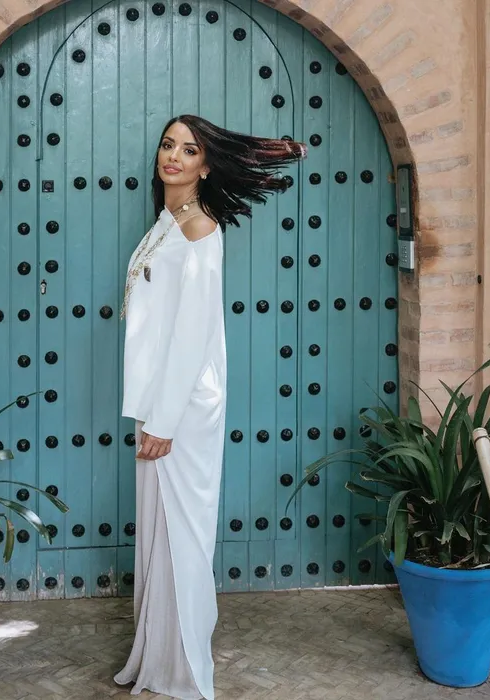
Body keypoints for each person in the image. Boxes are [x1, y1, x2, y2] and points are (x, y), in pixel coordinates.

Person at [114, 115, 307, 700]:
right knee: (159, 531)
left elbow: (193, 334)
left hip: (182, 408)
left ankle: (184, 667)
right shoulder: (168, 221)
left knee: (182, 533)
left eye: (189, 149)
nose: (172, 156)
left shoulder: (200, 229)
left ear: (205, 165)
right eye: (167, 145)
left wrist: (165, 421)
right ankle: (157, 657)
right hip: (159, 402)